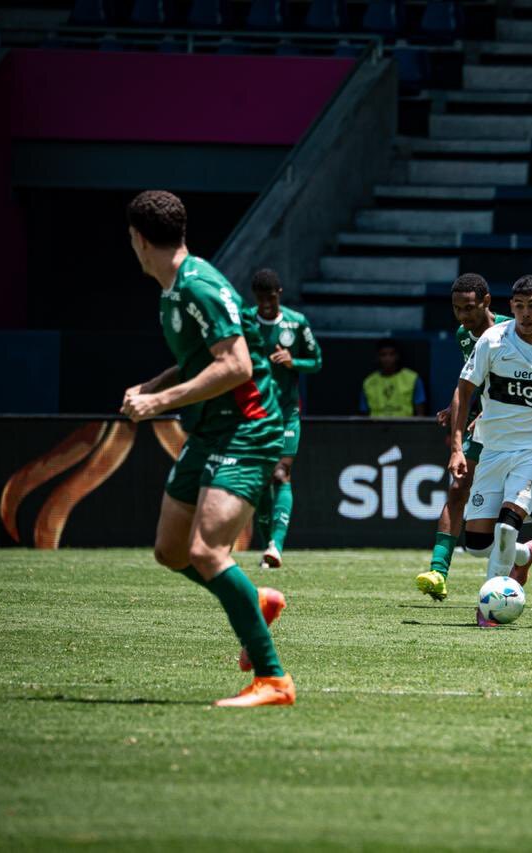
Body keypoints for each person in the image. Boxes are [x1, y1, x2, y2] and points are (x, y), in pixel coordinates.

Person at [120, 190, 294, 706]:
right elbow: (203, 360)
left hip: (248, 428)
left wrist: (160, 403)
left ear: (140, 240)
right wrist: (154, 387)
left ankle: (273, 680)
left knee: (206, 551)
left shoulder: (198, 286)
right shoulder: (172, 292)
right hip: (211, 430)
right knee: (171, 551)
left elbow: (237, 366)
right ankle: (253, 599)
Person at [414, 274, 532, 602]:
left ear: (487, 304)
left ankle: (476, 595)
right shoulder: (474, 338)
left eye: (469, 308)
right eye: (457, 309)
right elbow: (468, 385)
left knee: (502, 518)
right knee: (479, 541)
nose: (463, 315)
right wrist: (455, 416)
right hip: (491, 433)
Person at [242, 269, 323, 570]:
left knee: (280, 474)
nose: (266, 304)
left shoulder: (296, 322)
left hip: (287, 412)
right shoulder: (245, 321)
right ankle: (267, 546)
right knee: (262, 482)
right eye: (261, 299)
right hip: (255, 413)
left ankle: (276, 545)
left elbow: (317, 361)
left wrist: (293, 362)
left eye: (270, 298)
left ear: (279, 293)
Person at [360, 339, 427, 418]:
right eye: (383, 355)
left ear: (397, 356)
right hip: (375, 428)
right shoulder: (368, 382)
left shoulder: (413, 379)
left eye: (392, 354)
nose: (387, 359)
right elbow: (363, 417)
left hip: (405, 427)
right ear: (377, 357)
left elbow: (420, 415)